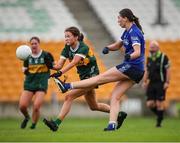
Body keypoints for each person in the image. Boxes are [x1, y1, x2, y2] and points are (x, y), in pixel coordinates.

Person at [50, 8, 145, 131]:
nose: (118, 20)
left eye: (119, 18)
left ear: (125, 18)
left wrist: (129, 56)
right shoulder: (127, 31)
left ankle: (67, 86)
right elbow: (118, 44)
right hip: (137, 71)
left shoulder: (134, 32)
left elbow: (137, 52)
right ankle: (112, 124)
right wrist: (108, 48)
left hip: (132, 66)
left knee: (98, 79)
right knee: (114, 97)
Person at [43, 26, 114, 132]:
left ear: (76, 37)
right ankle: (118, 113)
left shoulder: (83, 47)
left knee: (69, 96)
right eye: (65, 36)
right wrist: (49, 65)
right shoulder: (67, 48)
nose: (66, 38)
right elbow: (58, 66)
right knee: (94, 106)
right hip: (83, 78)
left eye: (68, 36)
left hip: (92, 77)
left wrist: (60, 72)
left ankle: (56, 124)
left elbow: (74, 62)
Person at [19, 36, 54, 129]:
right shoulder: (27, 56)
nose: (34, 45)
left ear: (39, 44)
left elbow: (53, 66)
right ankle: (27, 117)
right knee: (22, 106)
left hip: (41, 83)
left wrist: (51, 68)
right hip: (29, 82)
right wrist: (24, 70)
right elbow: (25, 69)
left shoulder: (46, 55)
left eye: (35, 43)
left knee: (36, 106)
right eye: (32, 44)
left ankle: (33, 125)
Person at [142, 40, 170, 127]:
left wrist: (167, 82)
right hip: (151, 83)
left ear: (157, 48)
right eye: (150, 47)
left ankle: (159, 123)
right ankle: (160, 115)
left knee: (159, 103)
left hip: (160, 83)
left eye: (153, 47)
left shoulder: (163, 57)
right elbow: (147, 70)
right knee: (149, 104)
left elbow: (168, 71)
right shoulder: (149, 57)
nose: (151, 48)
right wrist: (145, 81)